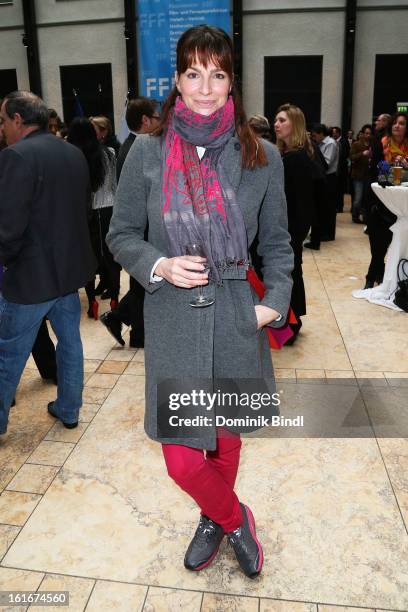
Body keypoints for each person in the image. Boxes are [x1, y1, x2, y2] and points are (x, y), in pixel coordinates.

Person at [107, 25, 293, 578]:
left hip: (238, 316)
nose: (206, 87)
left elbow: (279, 243)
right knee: (182, 457)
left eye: (217, 74)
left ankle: (213, 519)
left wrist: (274, 302)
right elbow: (120, 235)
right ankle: (235, 518)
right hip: (174, 321)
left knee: (226, 439)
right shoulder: (148, 149)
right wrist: (158, 265)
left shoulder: (262, 155)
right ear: (178, 82)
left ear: (232, 80)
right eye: (194, 73)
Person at [0, 91, 96, 434]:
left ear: (16, 120)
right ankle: (69, 409)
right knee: (70, 342)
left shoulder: (15, 156)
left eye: (2, 121)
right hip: (68, 273)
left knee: (7, 354)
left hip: (30, 277)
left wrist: (6, 263)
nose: (2, 128)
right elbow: (81, 211)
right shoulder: (72, 152)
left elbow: (8, 226)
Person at [100, 97, 160, 347]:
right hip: (140, 232)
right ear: (145, 120)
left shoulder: (131, 144)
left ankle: (124, 323)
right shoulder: (138, 149)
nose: (162, 122)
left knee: (142, 285)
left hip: (141, 232)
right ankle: (134, 331)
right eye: (158, 118)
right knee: (144, 284)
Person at [274, 103, 320, 343]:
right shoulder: (290, 155)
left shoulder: (295, 159)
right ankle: (291, 322)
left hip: (289, 229)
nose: (276, 124)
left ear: (296, 124)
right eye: (276, 120)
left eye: (282, 120)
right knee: (290, 273)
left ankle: (289, 324)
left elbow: (301, 203)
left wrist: (294, 234)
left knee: (288, 274)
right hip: (288, 228)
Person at [67, 117, 119, 318]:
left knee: (88, 257)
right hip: (108, 208)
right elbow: (115, 185)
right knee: (110, 257)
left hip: (85, 211)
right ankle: (114, 299)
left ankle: (92, 303)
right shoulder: (110, 153)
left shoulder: (73, 156)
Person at [364, 112, 408, 288]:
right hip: (379, 200)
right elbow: (373, 173)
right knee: (377, 245)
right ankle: (373, 277)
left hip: (401, 204)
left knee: (394, 244)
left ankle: (377, 278)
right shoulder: (381, 143)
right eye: (395, 123)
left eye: (402, 123)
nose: (397, 126)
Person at [310, 124, 339, 241]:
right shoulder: (320, 143)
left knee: (329, 207)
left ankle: (328, 234)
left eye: (315, 135)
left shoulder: (330, 143)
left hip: (329, 178)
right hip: (323, 177)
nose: (314, 138)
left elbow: (326, 163)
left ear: (322, 133)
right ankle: (321, 232)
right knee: (322, 206)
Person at [349, 124, 372, 223]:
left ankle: (366, 217)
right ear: (362, 134)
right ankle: (355, 216)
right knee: (358, 198)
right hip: (358, 175)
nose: (368, 135)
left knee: (366, 198)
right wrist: (362, 154)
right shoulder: (357, 144)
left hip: (368, 175)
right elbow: (351, 157)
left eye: (370, 134)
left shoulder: (373, 144)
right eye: (366, 133)